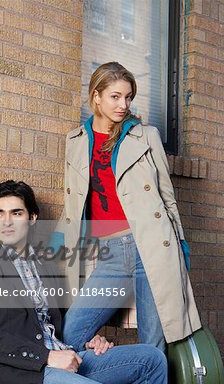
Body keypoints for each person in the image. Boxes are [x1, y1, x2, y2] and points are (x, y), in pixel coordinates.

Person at [0, 180, 184, 384]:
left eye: (16, 213)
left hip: (66, 362)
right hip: (21, 378)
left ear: (32, 218)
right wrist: (48, 357)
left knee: (152, 359)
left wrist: (92, 340)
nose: (7, 221)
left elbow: (55, 325)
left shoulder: (44, 265)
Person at [51, 61, 201, 352]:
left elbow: (167, 198)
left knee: (153, 345)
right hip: (110, 253)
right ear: (96, 96)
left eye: (128, 97)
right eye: (115, 96)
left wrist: (180, 247)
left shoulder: (145, 136)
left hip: (151, 245)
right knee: (72, 332)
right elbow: (72, 204)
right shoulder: (76, 141)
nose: (123, 104)